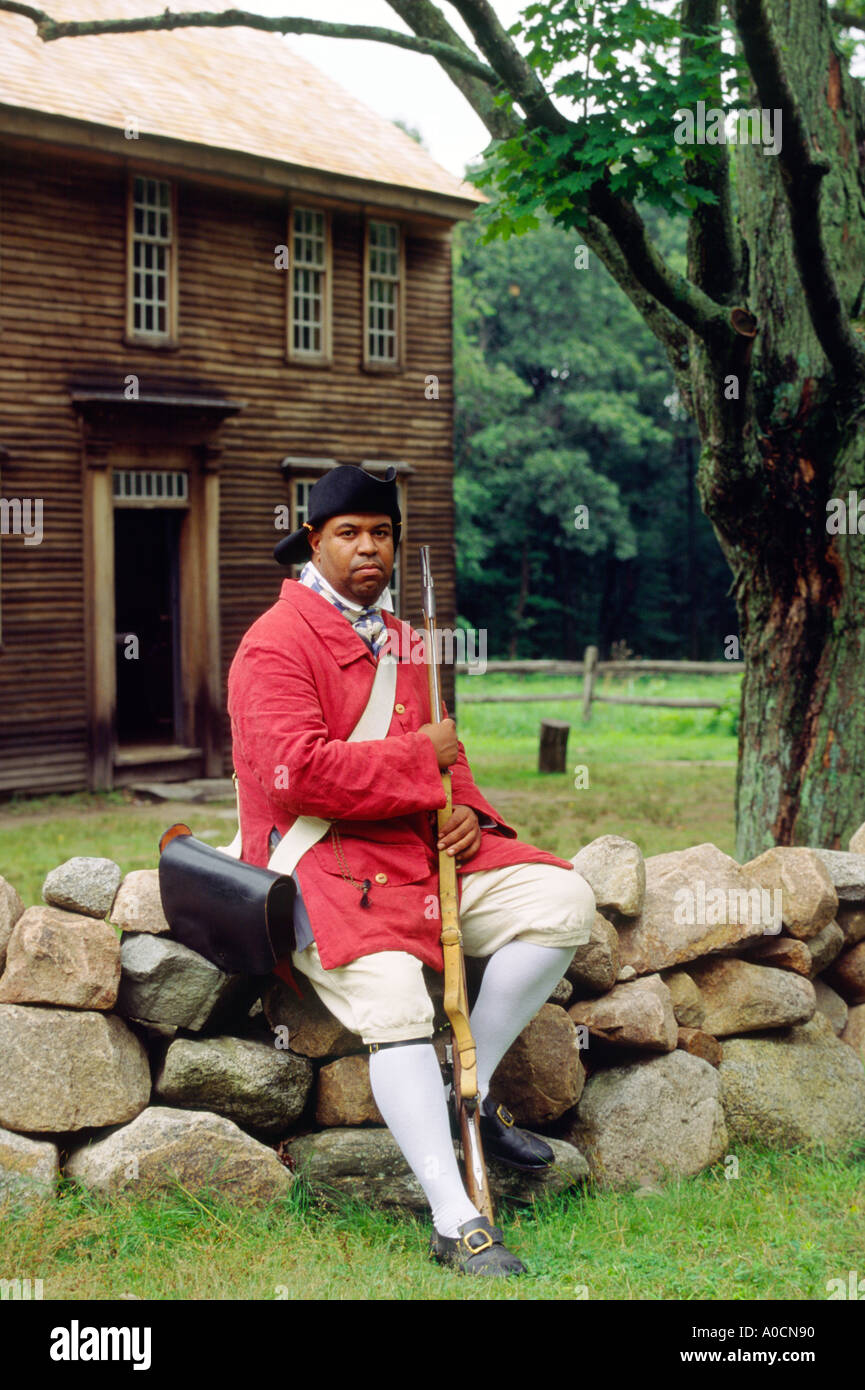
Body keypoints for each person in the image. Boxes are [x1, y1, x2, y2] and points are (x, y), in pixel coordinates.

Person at [227, 464, 595, 1277]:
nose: (368, 548)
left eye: (381, 533)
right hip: (322, 859)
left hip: (417, 854)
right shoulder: (274, 643)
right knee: (393, 996)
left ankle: (468, 1085)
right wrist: (414, 760)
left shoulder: (405, 639)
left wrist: (465, 810)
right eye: (348, 533)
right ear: (314, 542)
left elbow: (446, 759)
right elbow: (295, 774)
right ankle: (453, 1215)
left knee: (562, 899)